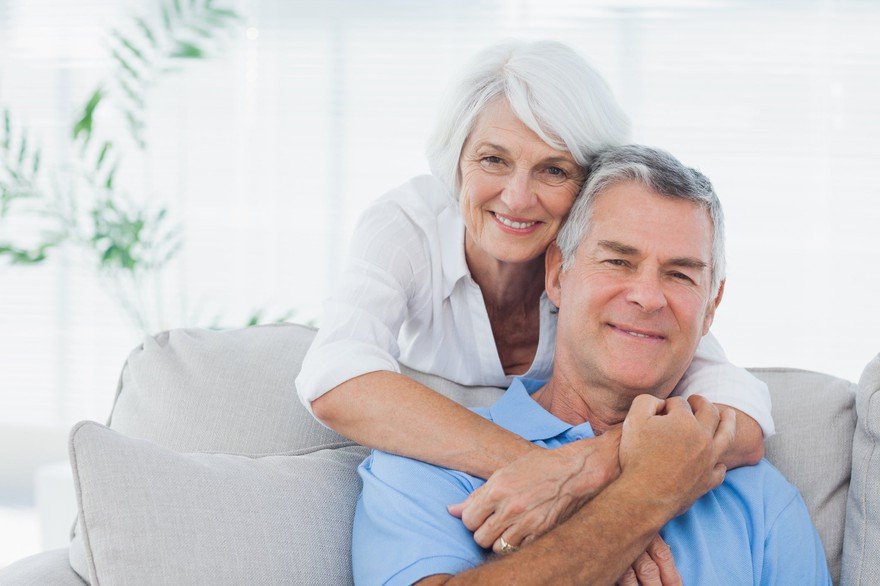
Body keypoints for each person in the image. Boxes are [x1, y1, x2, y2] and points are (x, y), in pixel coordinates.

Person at [296, 40, 774, 551]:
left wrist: (587, 466)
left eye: (553, 170)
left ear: (590, 186)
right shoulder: (407, 227)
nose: (518, 197)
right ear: (456, 161)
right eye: (493, 160)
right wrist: (552, 476)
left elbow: (739, 414)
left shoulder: (604, 280)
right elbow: (334, 376)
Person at [352, 146, 831, 585]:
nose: (647, 296)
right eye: (618, 262)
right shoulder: (428, 464)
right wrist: (646, 495)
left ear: (711, 306)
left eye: (680, 274)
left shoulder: (760, 497)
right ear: (558, 274)